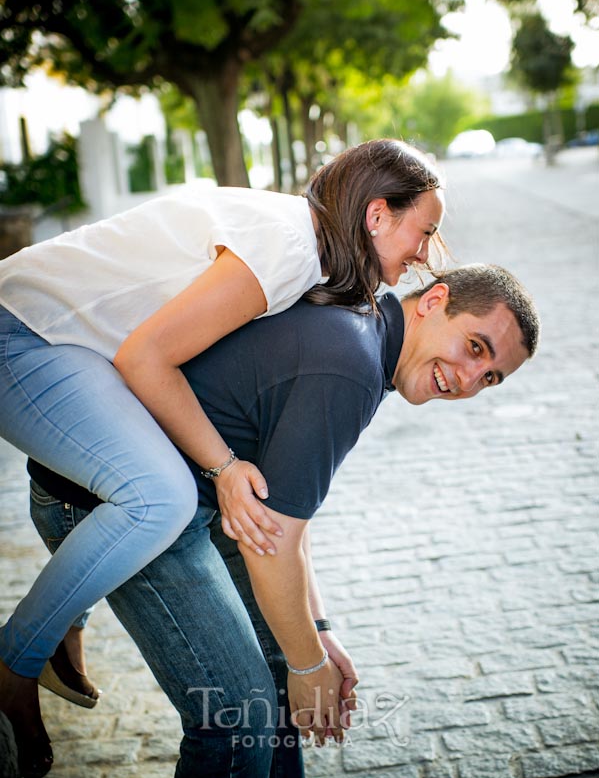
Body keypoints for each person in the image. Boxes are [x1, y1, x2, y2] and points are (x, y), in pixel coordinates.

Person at [0, 138, 446, 777]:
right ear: (377, 215)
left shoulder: (312, 259)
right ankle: (15, 660)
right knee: (162, 497)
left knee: (158, 495)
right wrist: (225, 467)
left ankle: (62, 624)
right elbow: (144, 359)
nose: (423, 255)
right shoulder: (290, 248)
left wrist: (314, 625)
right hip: (23, 333)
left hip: (73, 349)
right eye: (422, 231)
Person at [25, 264, 539, 778]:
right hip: (113, 503)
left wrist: (316, 632)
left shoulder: (367, 335)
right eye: (475, 347)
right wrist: (310, 665)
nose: (470, 381)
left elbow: (286, 509)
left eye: (490, 378)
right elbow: (273, 544)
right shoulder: (350, 365)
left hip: (202, 498)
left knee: (279, 666)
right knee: (234, 715)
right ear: (433, 301)